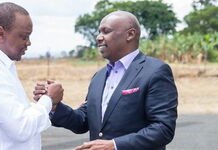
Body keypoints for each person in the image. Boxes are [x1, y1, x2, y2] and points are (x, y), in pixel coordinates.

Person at [33, 10, 178, 150]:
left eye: (106, 31)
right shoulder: (99, 76)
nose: (98, 37)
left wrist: (114, 145)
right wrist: (54, 105)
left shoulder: (155, 71)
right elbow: (83, 120)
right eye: (99, 32)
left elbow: (163, 129)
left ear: (130, 34)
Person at [0, 2, 63, 150]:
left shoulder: (0, 62)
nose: (28, 43)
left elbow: (12, 116)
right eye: (23, 36)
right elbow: (21, 128)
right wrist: (48, 100)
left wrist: (43, 102)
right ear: (0, 33)